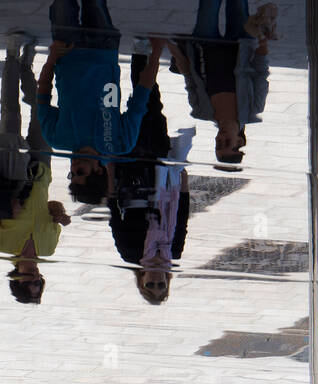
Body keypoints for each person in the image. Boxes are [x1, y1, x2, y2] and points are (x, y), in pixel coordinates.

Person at [0, 32, 70, 304]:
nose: (35, 277)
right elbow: (52, 206)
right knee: (41, 112)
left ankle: (12, 56)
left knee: (9, 113)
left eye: (29, 283)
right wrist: (59, 214)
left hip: (11, 174)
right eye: (38, 283)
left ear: (16, 279)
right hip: (40, 172)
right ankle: (27, 69)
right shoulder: (49, 248)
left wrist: (8, 203)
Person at [38, 2, 165, 203]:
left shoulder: (57, 139)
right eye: (80, 172)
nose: (73, 168)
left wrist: (52, 57)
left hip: (67, 51)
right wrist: (156, 53)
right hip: (103, 48)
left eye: (72, 175)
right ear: (98, 170)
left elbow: (42, 96)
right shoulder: (119, 144)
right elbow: (141, 96)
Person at [109, 46, 195, 303]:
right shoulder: (173, 250)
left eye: (152, 284)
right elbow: (182, 216)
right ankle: (141, 58)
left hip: (132, 173)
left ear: (142, 280)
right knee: (152, 112)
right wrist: (183, 182)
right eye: (161, 284)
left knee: (118, 115)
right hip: (161, 173)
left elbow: (115, 214)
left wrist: (110, 169)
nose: (157, 279)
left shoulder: (130, 252)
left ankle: (110, 64)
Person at [167, 0, 274, 168]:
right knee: (238, 5)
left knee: (208, 6)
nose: (221, 138)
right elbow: (261, 73)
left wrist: (168, 45)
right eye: (227, 142)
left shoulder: (201, 111)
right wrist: (262, 43)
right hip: (240, 43)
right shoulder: (253, 108)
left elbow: (188, 75)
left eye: (218, 144)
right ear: (239, 140)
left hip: (204, 44)